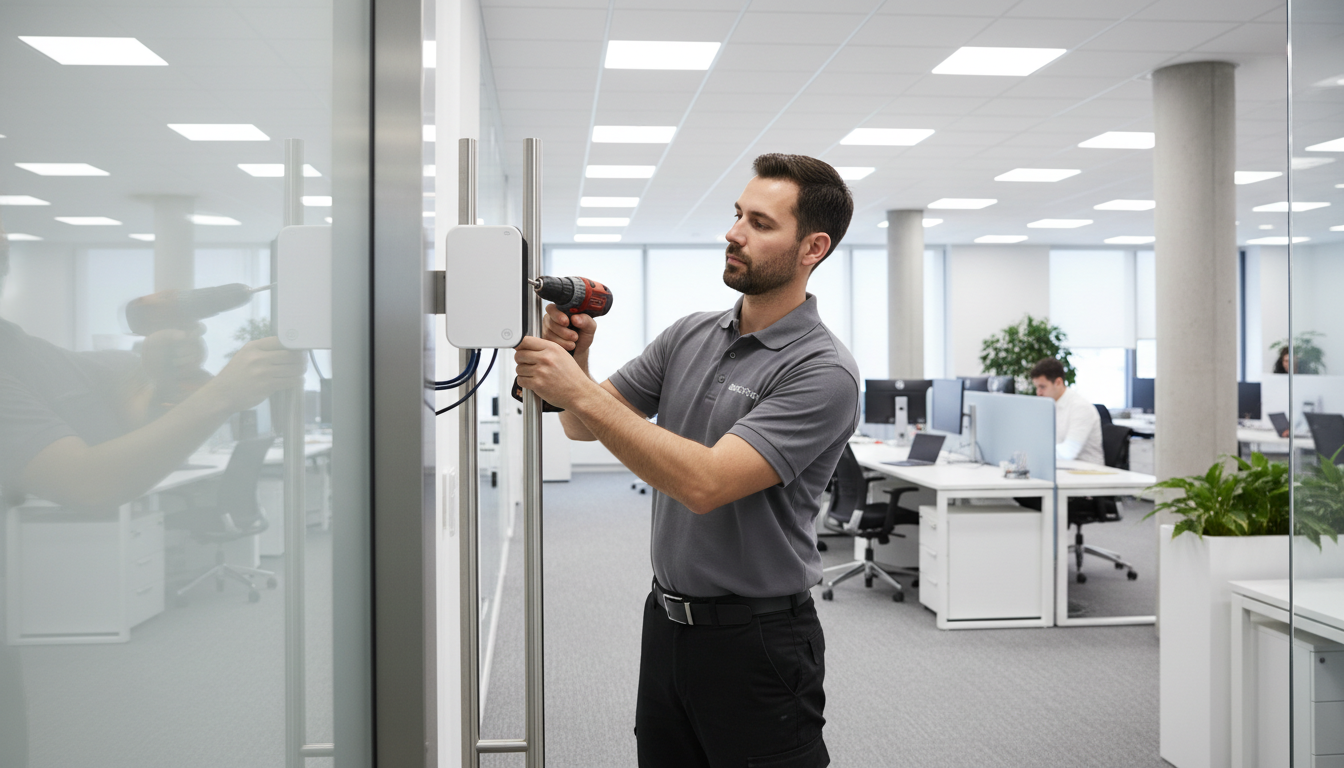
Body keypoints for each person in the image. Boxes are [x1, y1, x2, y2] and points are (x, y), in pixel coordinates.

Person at [514, 153, 859, 767]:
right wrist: (580, 370)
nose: (733, 232)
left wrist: (576, 386)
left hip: (758, 640)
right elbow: (578, 426)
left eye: (759, 221)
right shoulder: (689, 333)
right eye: (736, 215)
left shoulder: (821, 371)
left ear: (813, 247)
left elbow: (706, 483)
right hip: (668, 624)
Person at [0, 219, 305, 767]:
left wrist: (153, 372)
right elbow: (88, 482)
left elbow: (116, 395)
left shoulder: (16, 347)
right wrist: (221, 394)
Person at [1030, 357, 1104, 465]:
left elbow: (1068, 453)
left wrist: (1032, 453)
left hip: (1086, 472)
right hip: (1059, 468)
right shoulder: (1049, 405)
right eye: (1037, 387)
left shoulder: (1080, 407)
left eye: (1042, 387)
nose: (1038, 393)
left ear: (1058, 382)